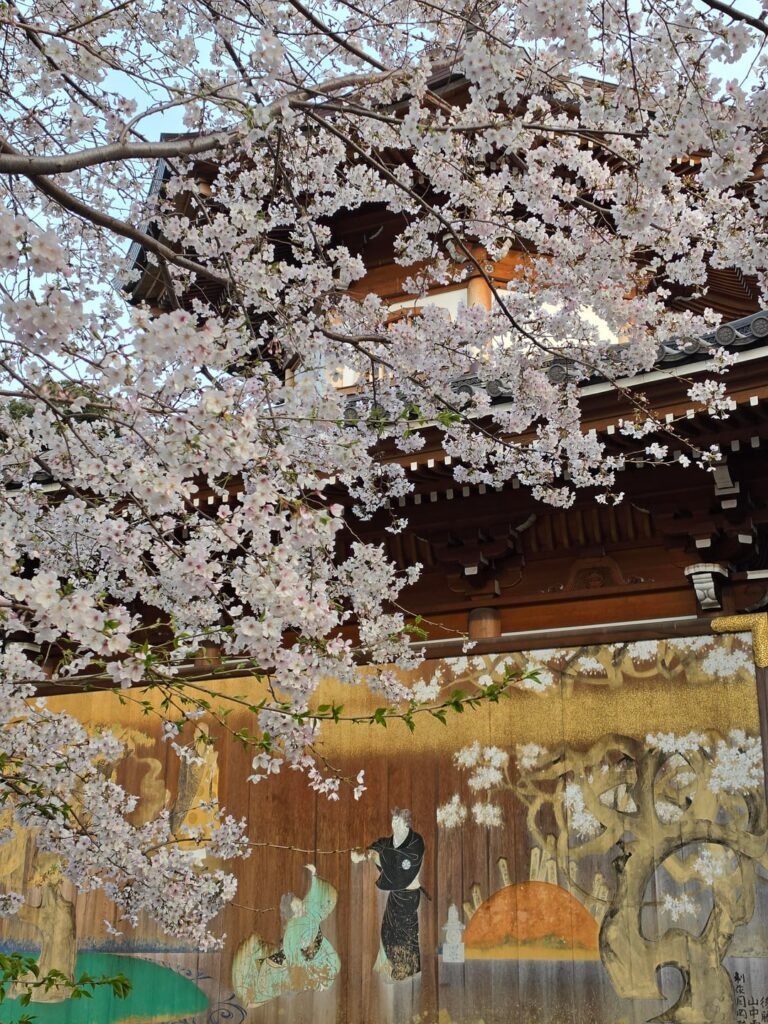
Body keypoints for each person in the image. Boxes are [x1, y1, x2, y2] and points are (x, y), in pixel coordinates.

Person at [232, 864, 340, 1007]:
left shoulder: (309, 912)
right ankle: (254, 988)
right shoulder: (293, 928)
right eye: (295, 907)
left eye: (299, 903)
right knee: (268, 971)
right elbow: (291, 954)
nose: (299, 907)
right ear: (291, 912)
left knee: (332, 965)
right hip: (302, 963)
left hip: (320, 957)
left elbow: (321, 899)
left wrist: (314, 876)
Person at [352, 808, 424, 981]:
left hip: (409, 896)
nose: (393, 825)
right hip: (396, 896)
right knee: (388, 930)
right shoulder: (393, 841)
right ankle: (393, 964)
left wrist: (376, 856)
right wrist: (365, 854)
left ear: (406, 823)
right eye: (392, 821)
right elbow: (380, 846)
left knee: (405, 932)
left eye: (397, 821)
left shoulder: (415, 843)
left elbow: (399, 863)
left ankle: (405, 967)